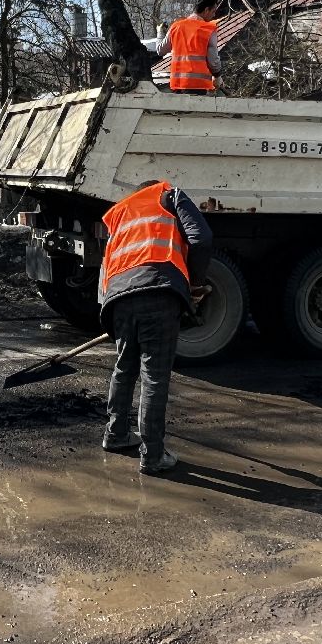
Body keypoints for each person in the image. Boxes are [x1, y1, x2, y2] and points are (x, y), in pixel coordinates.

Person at [98, 178, 212, 475]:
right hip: (158, 293)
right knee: (154, 377)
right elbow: (201, 239)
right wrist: (195, 285)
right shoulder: (169, 195)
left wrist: (110, 307)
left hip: (117, 297)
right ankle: (152, 455)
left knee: (124, 368)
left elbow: (107, 264)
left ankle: (116, 433)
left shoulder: (122, 212)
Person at [161, 0, 223, 94]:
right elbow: (213, 60)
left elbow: (161, 50)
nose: (214, 15)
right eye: (213, 11)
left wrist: (160, 33)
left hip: (177, 85)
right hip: (197, 85)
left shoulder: (176, 26)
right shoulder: (208, 29)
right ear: (206, 10)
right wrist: (217, 76)